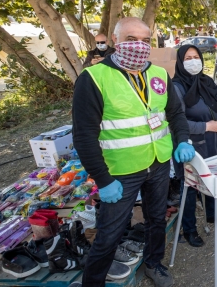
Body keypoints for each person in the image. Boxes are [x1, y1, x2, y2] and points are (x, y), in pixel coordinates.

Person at [73, 17, 195, 286]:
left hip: (158, 163)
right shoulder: (93, 78)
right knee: (109, 234)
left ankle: (154, 263)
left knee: (156, 219)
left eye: (145, 40)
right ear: (115, 41)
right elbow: (84, 136)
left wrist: (183, 140)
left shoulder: (158, 75)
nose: (139, 46)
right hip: (120, 172)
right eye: (131, 39)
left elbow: (175, 113)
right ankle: (93, 282)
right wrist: (102, 179)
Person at [172, 44, 217, 248]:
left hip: (213, 142)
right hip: (191, 146)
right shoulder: (177, 87)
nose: (193, 61)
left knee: (213, 180)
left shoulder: (206, 82)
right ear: (180, 61)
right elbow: (176, 121)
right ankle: (189, 230)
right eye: (187, 58)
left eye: (196, 56)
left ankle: (212, 216)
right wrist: (205, 126)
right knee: (189, 188)